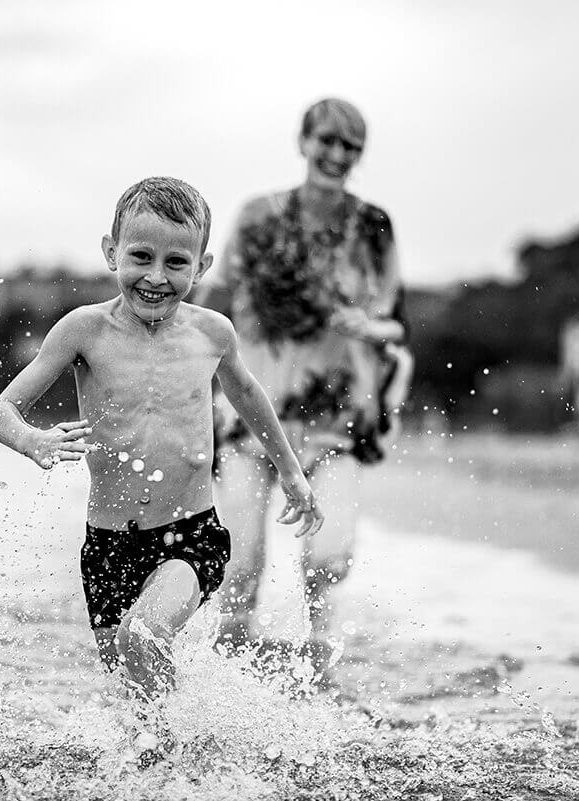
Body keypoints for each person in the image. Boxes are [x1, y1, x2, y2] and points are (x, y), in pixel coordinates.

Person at [0, 177, 324, 700]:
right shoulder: (84, 331)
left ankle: (177, 753)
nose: (156, 278)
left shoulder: (212, 334)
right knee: (128, 695)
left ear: (202, 267)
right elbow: (1, 410)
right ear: (110, 251)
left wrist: (292, 473)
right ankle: (169, 759)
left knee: (140, 637)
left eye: (176, 263)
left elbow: (251, 399)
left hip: (189, 535)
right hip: (107, 545)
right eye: (141, 256)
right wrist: (32, 440)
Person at [197, 98, 412, 658]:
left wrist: (367, 323)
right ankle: (230, 689)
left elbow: (395, 327)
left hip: (335, 419)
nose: (337, 154)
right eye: (327, 140)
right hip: (250, 415)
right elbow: (213, 299)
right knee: (239, 567)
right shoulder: (256, 217)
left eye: (350, 146)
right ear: (303, 141)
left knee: (328, 559)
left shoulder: (373, 227)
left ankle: (320, 674)